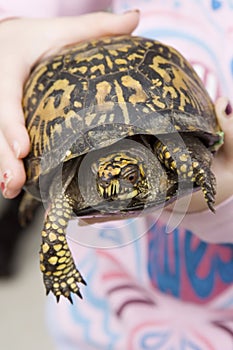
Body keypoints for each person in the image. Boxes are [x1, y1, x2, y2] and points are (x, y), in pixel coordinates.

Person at [0, 1, 233, 349]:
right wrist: (12, 27)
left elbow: (180, 149)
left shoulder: (165, 151)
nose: (114, 183)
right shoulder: (77, 187)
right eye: (105, 177)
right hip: (101, 315)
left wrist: (210, 184)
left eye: (126, 174)